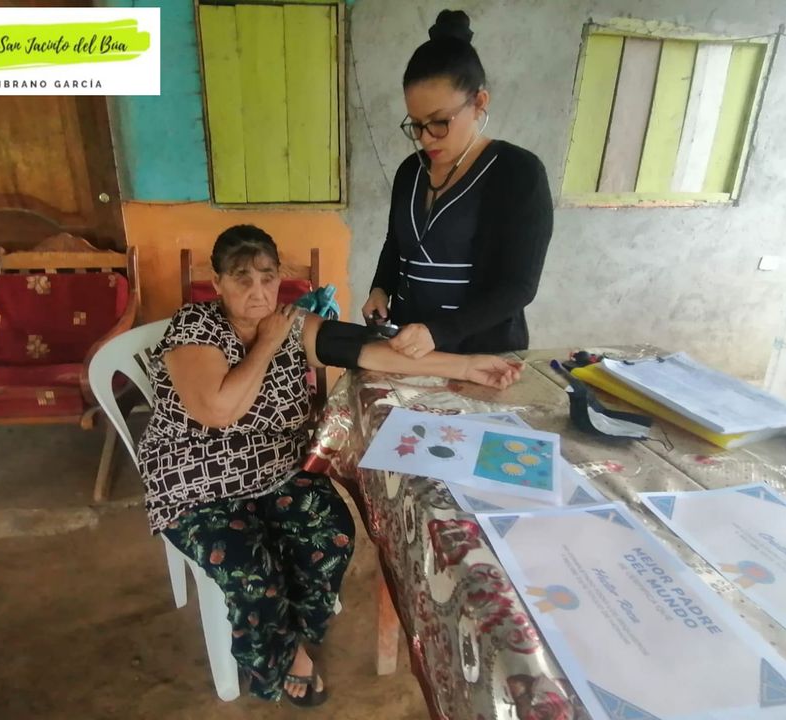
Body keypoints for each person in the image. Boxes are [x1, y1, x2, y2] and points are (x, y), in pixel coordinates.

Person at [137, 224, 522, 706]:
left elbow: (368, 352)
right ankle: (285, 659)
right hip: (196, 481)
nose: (258, 292)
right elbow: (219, 410)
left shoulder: (292, 322)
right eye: (241, 279)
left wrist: (465, 366)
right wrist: (267, 343)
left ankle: (287, 628)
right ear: (217, 284)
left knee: (332, 535)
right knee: (249, 572)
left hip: (274, 470)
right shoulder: (195, 326)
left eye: (267, 278)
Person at [362, 9, 554, 359]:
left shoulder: (518, 173)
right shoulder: (410, 172)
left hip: (482, 354)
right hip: (408, 347)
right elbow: (396, 243)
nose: (426, 138)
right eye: (416, 125)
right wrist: (380, 288)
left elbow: (519, 287)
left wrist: (438, 333)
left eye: (439, 122)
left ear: (479, 103)